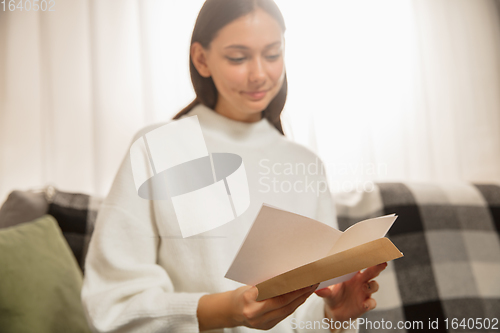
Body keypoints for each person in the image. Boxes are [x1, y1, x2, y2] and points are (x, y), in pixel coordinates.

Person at [81, 0, 387, 332]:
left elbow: (303, 314)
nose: (258, 74)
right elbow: (112, 304)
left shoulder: (305, 165)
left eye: (272, 54)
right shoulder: (157, 148)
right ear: (201, 59)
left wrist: (332, 315)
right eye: (238, 58)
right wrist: (226, 311)